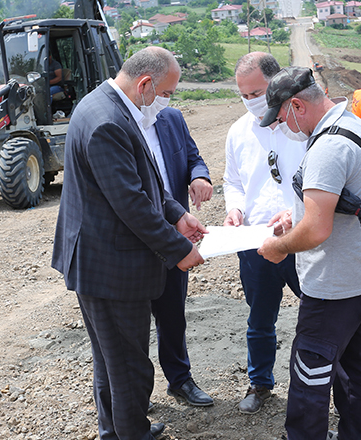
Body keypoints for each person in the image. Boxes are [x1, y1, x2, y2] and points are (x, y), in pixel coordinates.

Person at [51, 46, 207, 440]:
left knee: (112, 360)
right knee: (128, 367)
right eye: (167, 93)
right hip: (110, 267)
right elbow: (131, 203)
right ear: (144, 83)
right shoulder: (107, 122)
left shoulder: (111, 106)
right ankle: (130, 433)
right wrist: (180, 250)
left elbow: (146, 178)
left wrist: (176, 213)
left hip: (102, 260)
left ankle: (119, 429)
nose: (167, 102)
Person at [257, 66, 361, 440]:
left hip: (336, 283)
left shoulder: (328, 147)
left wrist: (278, 247)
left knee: (310, 370)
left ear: (297, 104)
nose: (281, 125)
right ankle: (359, 433)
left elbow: (317, 229)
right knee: (356, 359)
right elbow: (336, 201)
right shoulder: (352, 123)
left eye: (282, 117)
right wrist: (295, 213)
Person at [222, 52, 306, 415]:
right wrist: (235, 208)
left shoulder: (299, 125)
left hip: (302, 239)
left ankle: (325, 385)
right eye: (243, 94)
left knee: (319, 316)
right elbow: (233, 180)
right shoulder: (238, 132)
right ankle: (260, 384)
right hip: (255, 242)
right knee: (259, 319)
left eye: (257, 92)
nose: (250, 100)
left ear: (275, 84)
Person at [146, 106, 214, 406]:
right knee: (129, 323)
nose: (164, 99)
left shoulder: (171, 117)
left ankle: (180, 379)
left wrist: (200, 176)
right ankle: (133, 391)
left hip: (175, 232)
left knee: (172, 313)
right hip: (134, 238)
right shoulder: (120, 122)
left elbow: (192, 157)